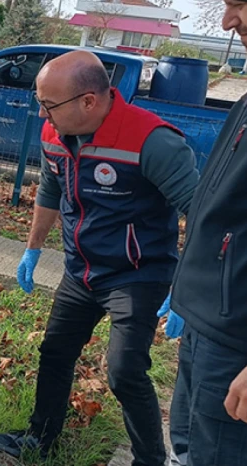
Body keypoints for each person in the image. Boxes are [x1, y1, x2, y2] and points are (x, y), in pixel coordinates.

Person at [0, 50, 199, 465]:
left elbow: (201, 214)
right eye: (40, 103)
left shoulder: (153, 142)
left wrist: (187, 285)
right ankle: (40, 437)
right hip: (81, 271)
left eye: (50, 105)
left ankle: (150, 458)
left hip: (138, 276)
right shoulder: (55, 134)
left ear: (89, 101)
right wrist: (33, 248)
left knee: (124, 371)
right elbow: (50, 190)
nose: (44, 116)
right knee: (55, 353)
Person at [155, 2, 247, 464]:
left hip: (236, 343)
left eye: (241, 4)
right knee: (187, 446)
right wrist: (186, 288)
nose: (230, 22)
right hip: (205, 322)